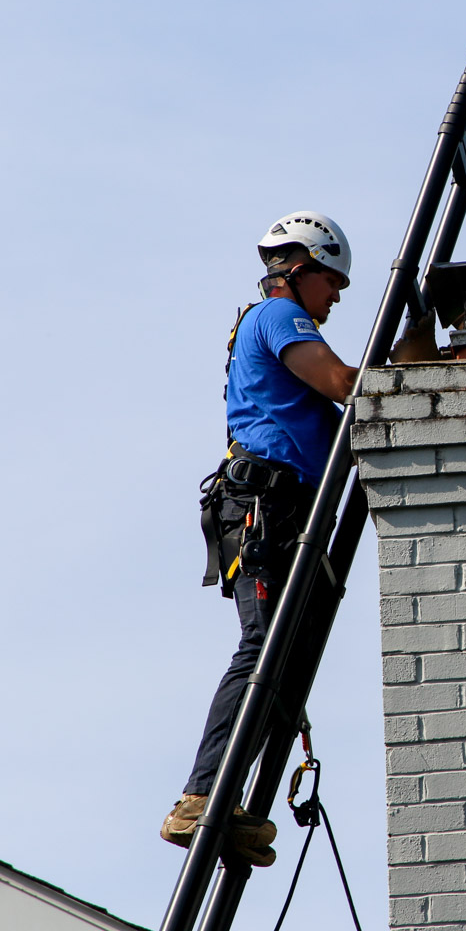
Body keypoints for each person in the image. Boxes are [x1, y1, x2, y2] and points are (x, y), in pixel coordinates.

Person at [161, 213, 358, 867]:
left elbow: (357, 402)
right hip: (263, 507)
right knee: (263, 646)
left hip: (285, 509)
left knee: (287, 663)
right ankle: (202, 793)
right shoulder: (275, 317)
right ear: (299, 270)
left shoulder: (295, 392)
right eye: (332, 281)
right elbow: (345, 384)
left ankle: (232, 801)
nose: (337, 297)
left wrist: (417, 345)